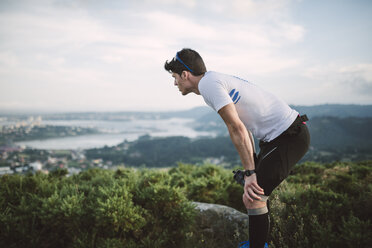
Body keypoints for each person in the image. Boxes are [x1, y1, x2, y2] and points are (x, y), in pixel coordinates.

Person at [164, 48, 310, 248]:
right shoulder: (212, 81)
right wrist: (251, 168)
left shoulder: (208, 85)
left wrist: (250, 172)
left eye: (174, 77)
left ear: (185, 74)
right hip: (278, 137)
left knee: (254, 197)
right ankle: (257, 243)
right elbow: (244, 128)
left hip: (288, 137)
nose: (174, 82)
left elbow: (236, 128)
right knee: (253, 195)